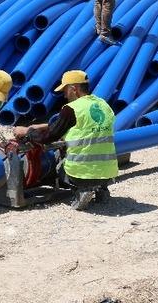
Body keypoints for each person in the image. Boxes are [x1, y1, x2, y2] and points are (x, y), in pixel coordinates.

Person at [14, 70, 118, 210]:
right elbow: (85, 127)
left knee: (58, 164)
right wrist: (45, 126)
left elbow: (48, 137)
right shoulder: (103, 105)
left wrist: (27, 131)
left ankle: (81, 191)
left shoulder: (71, 109)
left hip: (81, 173)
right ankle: (102, 190)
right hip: (108, 171)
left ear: (73, 88)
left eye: (65, 90)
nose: (64, 94)